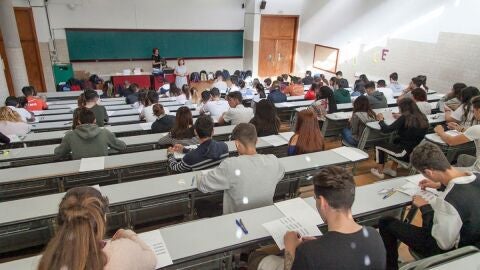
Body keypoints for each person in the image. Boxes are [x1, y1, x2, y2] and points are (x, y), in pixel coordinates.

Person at [250, 166, 386, 270]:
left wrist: (290, 249)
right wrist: (320, 243)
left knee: (256, 258)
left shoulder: (308, 253)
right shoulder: (375, 236)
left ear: (322, 202)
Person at [379, 142, 480, 270]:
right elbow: (465, 188)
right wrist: (440, 185)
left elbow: (443, 244)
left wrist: (425, 208)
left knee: (385, 222)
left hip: (455, 252)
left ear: (428, 172)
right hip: (475, 241)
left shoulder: (448, 201)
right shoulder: (476, 175)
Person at [37, 186, 156, 270]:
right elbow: (151, 259)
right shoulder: (123, 251)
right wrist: (130, 234)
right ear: (103, 219)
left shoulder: (47, 262)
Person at [196, 123, 285, 214]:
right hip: (265, 215)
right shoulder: (274, 160)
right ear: (256, 140)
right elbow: (281, 174)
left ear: (237, 144)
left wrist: (200, 175)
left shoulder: (230, 164)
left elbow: (203, 185)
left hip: (237, 221)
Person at [370, 98, 429, 179]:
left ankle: (379, 171)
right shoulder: (422, 117)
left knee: (378, 144)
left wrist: (381, 120)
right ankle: (393, 170)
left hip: (404, 153)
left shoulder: (404, 118)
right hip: (415, 152)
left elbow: (386, 130)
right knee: (396, 140)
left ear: (403, 108)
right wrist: (401, 117)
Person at [55, 108, 126, 160]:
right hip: (103, 171)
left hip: (78, 175)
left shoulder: (69, 135)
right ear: (95, 120)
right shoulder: (105, 132)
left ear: (79, 121)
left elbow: (58, 153)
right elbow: (122, 146)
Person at [433, 96, 480, 171]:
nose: (473, 114)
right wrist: (460, 128)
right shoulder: (476, 129)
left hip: (477, 170)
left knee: (443, 172)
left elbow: (451, 141)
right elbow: (474, 133)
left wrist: (440, 132)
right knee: (462, 157)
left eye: (474, 111)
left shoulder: (476, 128)